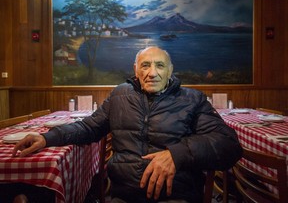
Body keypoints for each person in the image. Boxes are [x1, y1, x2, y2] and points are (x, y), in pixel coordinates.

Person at [12, 46, 242, 203]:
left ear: (171, 71)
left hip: (176, 195)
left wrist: (177, 154)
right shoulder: (119, 95)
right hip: (124, 195)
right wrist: (47, 138)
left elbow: (228, 144)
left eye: (160, 66)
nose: (152, 73)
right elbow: (89, 127)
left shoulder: (192, 99)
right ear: (135, 69)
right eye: (145, 65)